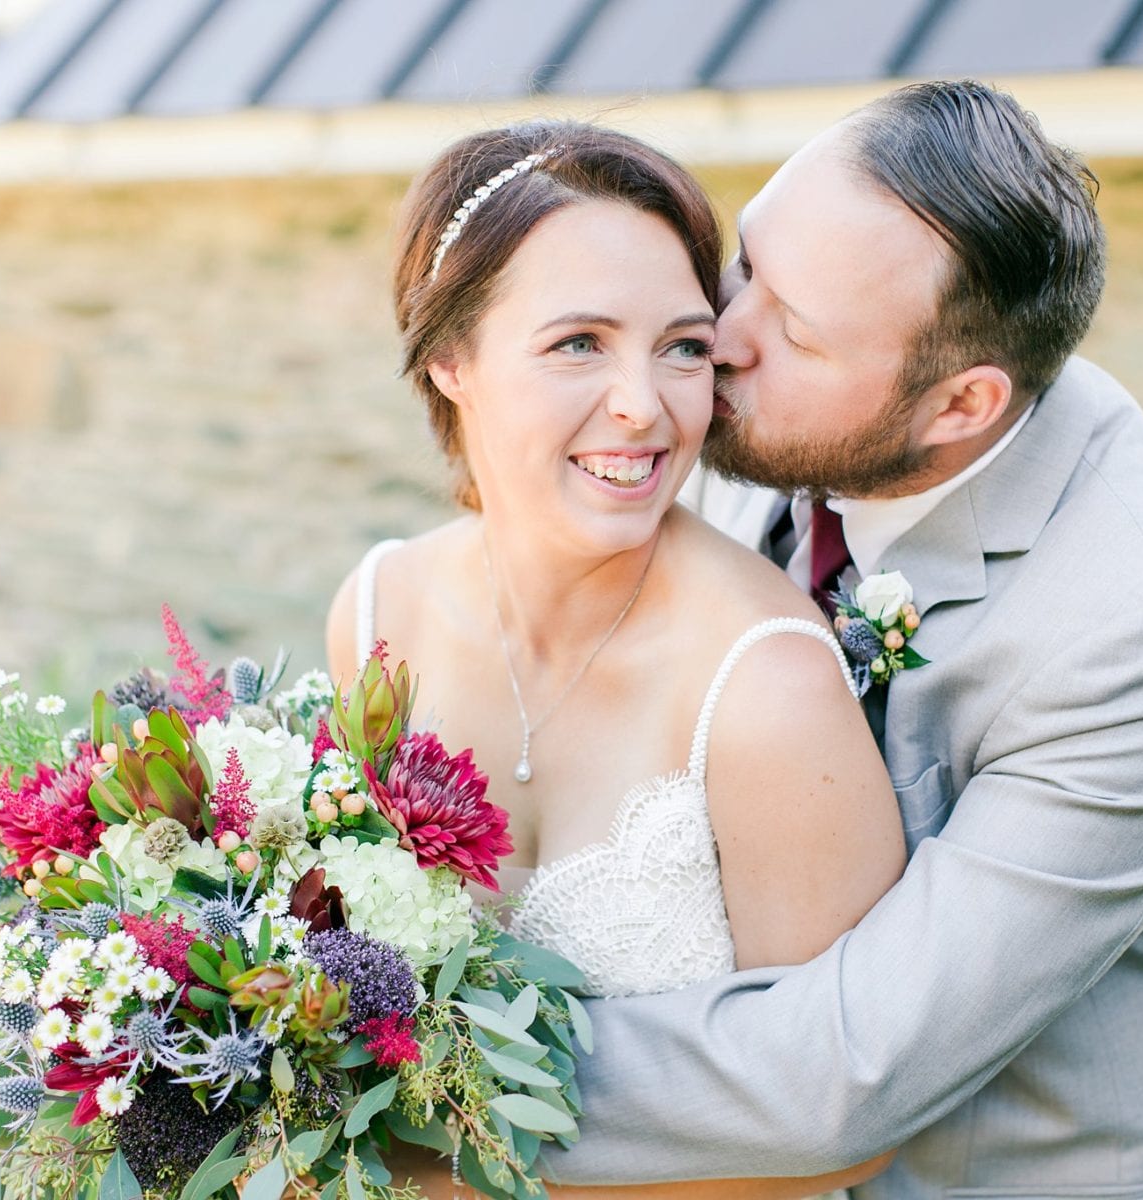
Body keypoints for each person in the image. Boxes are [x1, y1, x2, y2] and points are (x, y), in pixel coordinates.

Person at [537, 81, 1143, 1200]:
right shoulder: (763, 432)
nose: (718, 339)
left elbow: (848, 1073)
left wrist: (421, 1076)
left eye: (792, 330)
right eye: (747, 266)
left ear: (961, 407)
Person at [324, 120, 906, 1198]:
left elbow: (844, 1131)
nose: (646, 405)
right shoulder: (375, 615)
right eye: (579, 343)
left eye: (684, 347)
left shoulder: (767, 681)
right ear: (450, 358)